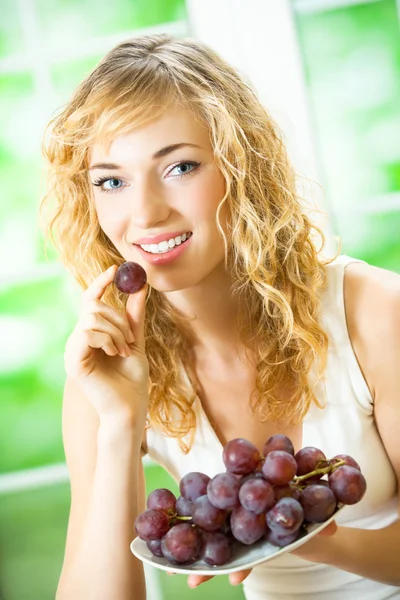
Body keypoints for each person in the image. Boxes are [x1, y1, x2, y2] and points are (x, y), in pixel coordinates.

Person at [41, 34, 400, 600]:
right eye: (112, 181)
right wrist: (118, 428)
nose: (146, 213)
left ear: (243, 168)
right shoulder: (103, 374)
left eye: (180, 166)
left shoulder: (375, 313)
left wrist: (305, 537)